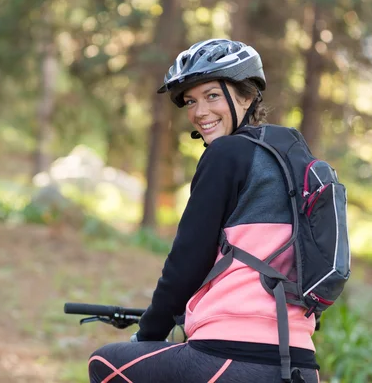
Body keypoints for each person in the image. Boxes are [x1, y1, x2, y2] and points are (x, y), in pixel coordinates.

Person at [88, 39, 320, 383]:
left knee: (105, 364)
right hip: (298, 363)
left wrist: (150, 332)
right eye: (191, 101)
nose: (199, 112)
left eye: (212, 96)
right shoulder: (296, 161)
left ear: (246, 95)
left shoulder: (226, 153)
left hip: (229, 357)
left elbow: (187, 261)